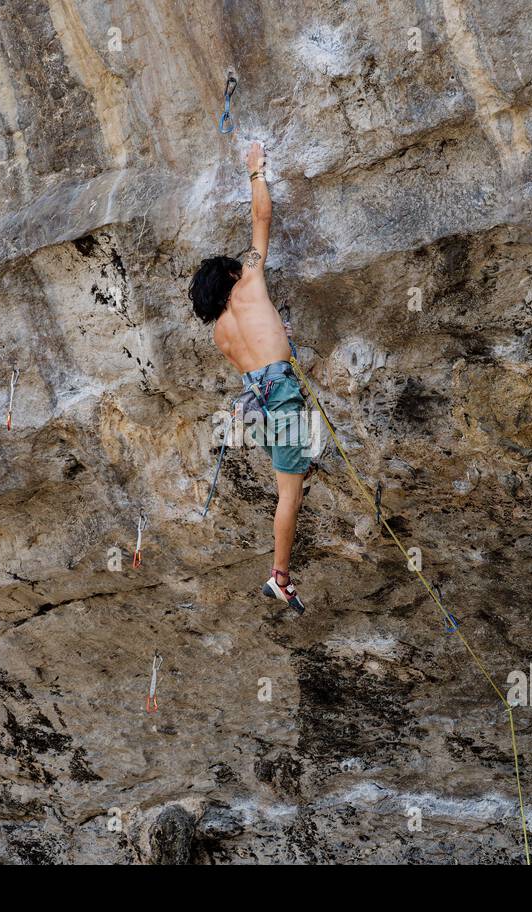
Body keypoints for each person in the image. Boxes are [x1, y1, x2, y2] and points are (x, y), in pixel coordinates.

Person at [189, 142, 308, 615]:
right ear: (233, 275)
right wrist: (256, 171)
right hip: (279, 393)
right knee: (289, 494)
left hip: (257, 402)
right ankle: (280, 575)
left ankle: (280, 571)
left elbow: (257, 355)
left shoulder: (220, 334)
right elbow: (262, 219)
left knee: (290, 477)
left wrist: (279, 335)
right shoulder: (250, 283)